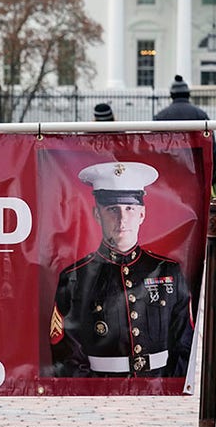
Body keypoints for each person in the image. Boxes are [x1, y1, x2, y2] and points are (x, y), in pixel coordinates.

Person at [48, 161, 194, 378]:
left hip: (160, 386)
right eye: (112, 209)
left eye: (129, 209)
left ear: (142, 214)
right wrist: (94, 393)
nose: (122, 219)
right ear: (97, 214)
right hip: (101, 388)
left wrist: (167, 387)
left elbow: (185, 342)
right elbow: (64, 349)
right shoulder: (75, 277)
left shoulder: (168, 271)